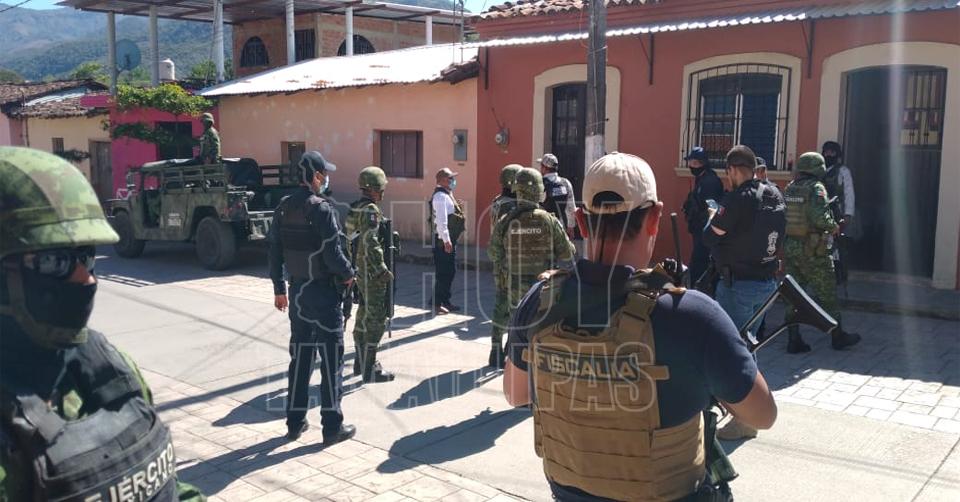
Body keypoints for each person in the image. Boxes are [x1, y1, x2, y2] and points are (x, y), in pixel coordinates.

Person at [503, 152, 777, 502]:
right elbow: (763, 415)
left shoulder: (540, 300)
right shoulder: (693, 315)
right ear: (655, 218)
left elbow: (516, 394)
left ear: (581, 221)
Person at [0, 147, 205, 501]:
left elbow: (167, 487)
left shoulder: (107, 367)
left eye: (87, 256)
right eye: (54, 261)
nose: (86, 278)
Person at [268, 150, 357, 443]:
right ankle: (332, 427)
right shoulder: (322, 209)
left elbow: (274, 251)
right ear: (316, 176)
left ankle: (295, 423)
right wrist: (349, 274)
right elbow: (333, 254)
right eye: (324, 174)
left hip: (297, 294)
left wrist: (279, 289)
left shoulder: (283, 207)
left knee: (301, 358)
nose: (326, 179)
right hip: (323, 294)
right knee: (331, 361)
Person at [702, 145, 786, 441]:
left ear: (733, 170)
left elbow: (709, 237)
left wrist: (713, 216)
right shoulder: (774, 194)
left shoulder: (737, 199)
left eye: (728, 173)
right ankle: (749, 412)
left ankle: (745, 420)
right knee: (747, 347)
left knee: (732, 352)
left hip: (738, 285)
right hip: (766, 284)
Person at [783, 152, 861, 353]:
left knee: (794, 294)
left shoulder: (790, 188)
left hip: (791, 248)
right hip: (813, 250)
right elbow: (820, 218)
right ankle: (838, 336)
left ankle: (793, 339)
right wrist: (834, 226)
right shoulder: (816, 188)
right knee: (827, 294)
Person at [489, 167, 575, 338]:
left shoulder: (505, 221)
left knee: (517, 330)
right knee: (540, 332)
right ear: (539, 192)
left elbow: (493, 254)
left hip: (515, 289)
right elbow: (568, 254)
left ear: (517, 191)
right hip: (543, 289)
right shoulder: (549, 220)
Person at [346, 166, 395, 383]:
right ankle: (370, 367)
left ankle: (360, 360)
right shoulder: (371, 210)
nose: (383, 192)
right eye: (381, 188)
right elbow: (371, 241)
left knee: (363, 312)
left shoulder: (355, 208)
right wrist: (381, 269)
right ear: (374, 188)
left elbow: (349, 239)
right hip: (371, 272)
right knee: (377, 317)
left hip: (359, 269)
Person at [488, 164, 522, 368]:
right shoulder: (511, 206)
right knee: (512, 306)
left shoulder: (497, 201)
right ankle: (508, 347)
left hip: (499, 260)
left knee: (501, 303)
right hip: (510, 261)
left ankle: (496, 348)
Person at [681, 146, 725, 287]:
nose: (691, 166)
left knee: (700, 261)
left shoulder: (710, 181)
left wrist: (707, 227)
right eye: (690, 162)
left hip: (705, 230)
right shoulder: (701, 178)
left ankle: (698, 289)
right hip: (699, 228)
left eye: (695, 163)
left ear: (703, 163)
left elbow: (713, 207)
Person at [429, 167, 465, 315]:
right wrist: (446, 241)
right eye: (450, 178)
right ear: (443, 180)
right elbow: (441, 221)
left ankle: (445, 301)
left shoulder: (447, 194)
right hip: (442, 241)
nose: (453, 181)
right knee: (444, 273)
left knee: (449, 272)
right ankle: (436, 303)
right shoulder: (440, 197)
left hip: (447, 239)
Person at [821, 141, 856, 287]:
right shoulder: (819, 170)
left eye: (832, 152)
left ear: (837, 154)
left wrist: (848, 214)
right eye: (826, 152)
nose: (829, 155)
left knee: (835, 247)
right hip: (820, 214)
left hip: (837, 213)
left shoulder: (843, 171)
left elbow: (849, 193)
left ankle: (837, 276)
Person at [538, 153, 577, 237]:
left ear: (544, 168)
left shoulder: (540, 184)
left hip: (542, 228)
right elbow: (571, 207)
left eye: (541, 166)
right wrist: (571, 227)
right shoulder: (566, 183)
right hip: (560, 228)